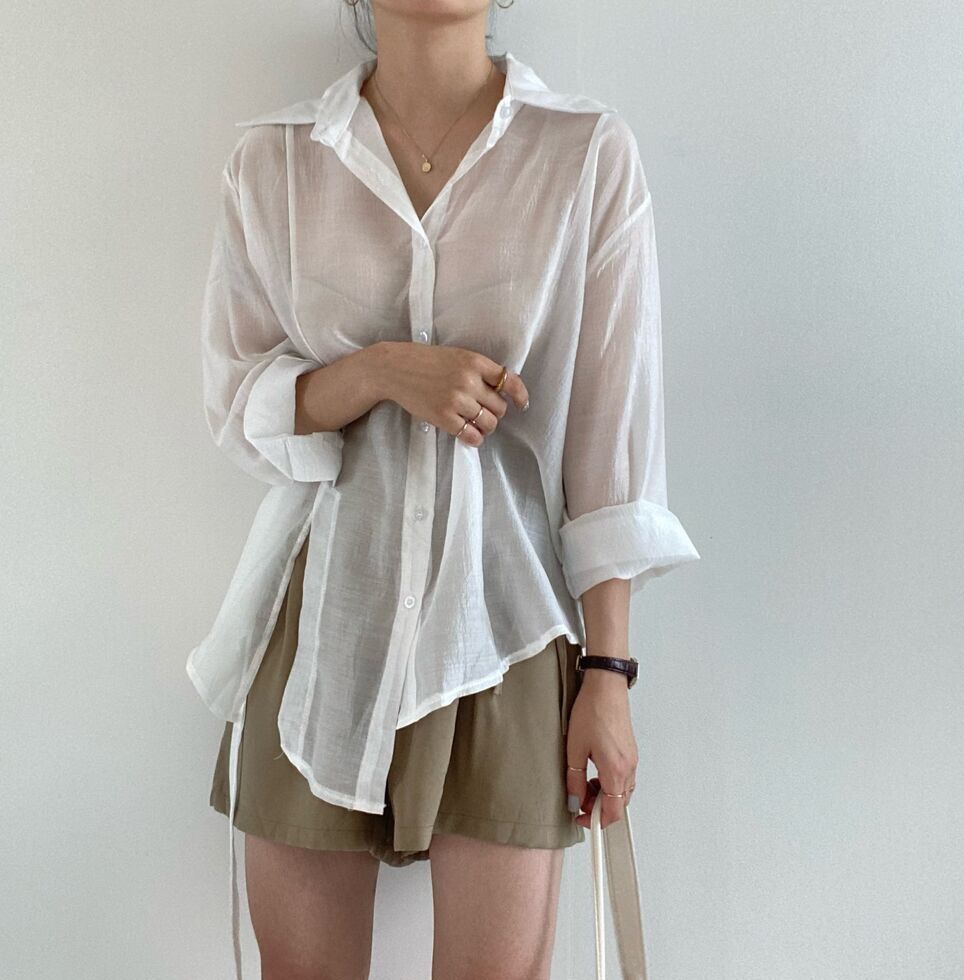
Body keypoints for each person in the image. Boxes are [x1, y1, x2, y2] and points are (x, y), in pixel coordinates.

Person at [186, 1, 700, 977]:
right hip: (320, 629)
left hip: (503, 625)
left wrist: (608, 672)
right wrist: (380, 371)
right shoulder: (275, 162)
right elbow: (240, 404)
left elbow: (611, 438)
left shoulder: (583, 153)